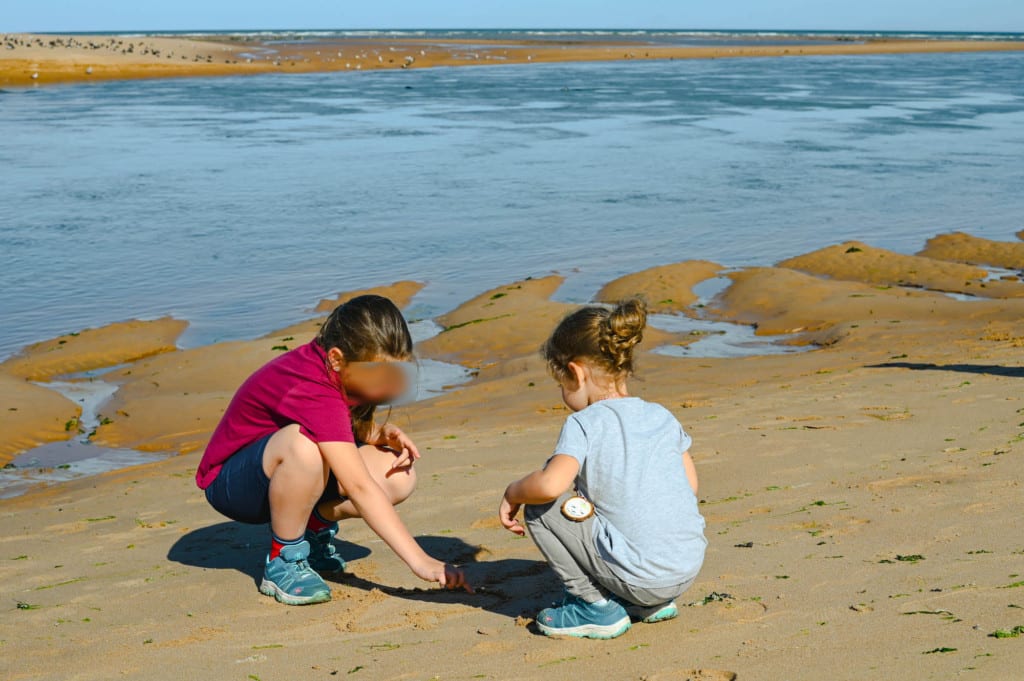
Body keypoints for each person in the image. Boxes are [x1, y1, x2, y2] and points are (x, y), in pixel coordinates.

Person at [196, 294, 471, 605]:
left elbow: (335, 421)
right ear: (338, 359)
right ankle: (283, 558)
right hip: (233, 484)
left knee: (397, 473)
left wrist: (376, 433)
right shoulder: (312, 384)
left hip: (283, 473)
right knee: (304, 447)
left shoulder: (340, 371)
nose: (388, 385)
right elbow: (357, 486)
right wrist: (420, 561)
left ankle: (311, 531)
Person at [499, 298, 706, 639]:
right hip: (684, 571)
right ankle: (649, 603)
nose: (562, 393)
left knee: (539, 506)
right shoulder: (660, 415)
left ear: (577, 373)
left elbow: (551, 486)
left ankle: (592, 605)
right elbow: (690, 486)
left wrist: (513, 492)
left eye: (561, 382)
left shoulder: (584, 422)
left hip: (641, 576)